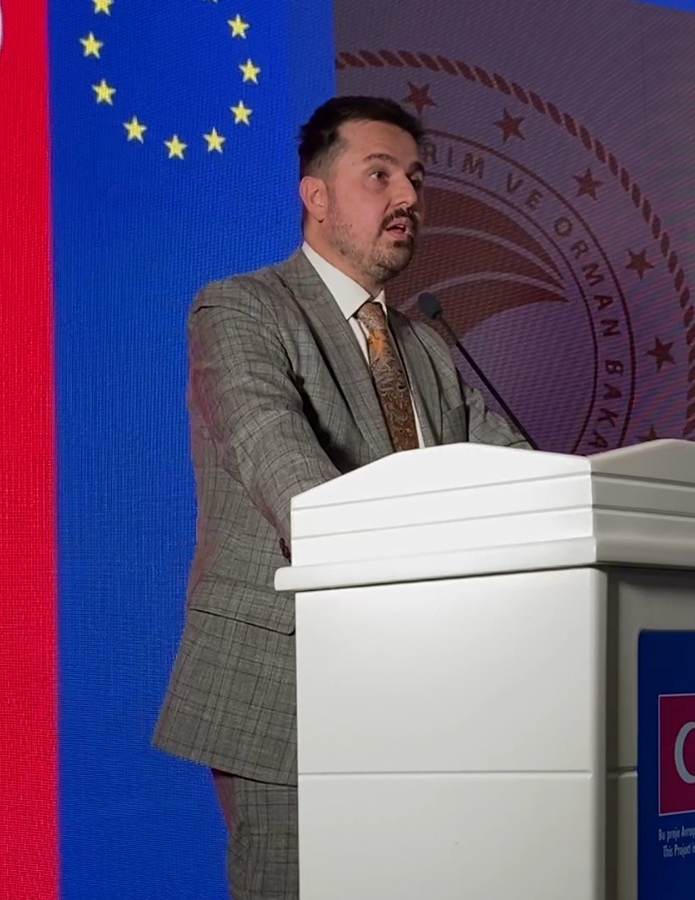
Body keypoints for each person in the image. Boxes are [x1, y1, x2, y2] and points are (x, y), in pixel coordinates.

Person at [153, 95, 530, 898]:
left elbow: (519, 481)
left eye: (416, 179)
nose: (408, 198)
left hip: (438, 682)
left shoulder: (427, 342)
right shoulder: (241, 309)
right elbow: (293, 484)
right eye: (380, 176)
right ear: (317, 197)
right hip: (289, 685)